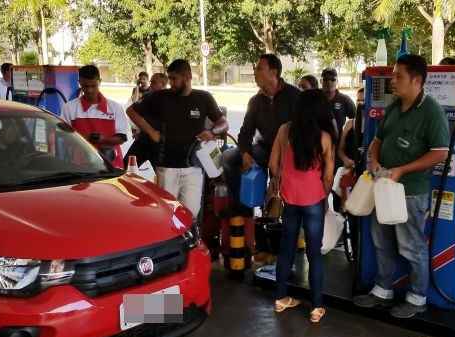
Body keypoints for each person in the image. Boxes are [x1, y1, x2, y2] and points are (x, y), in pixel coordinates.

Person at [352, 54, 449, 319]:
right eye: (393, 75)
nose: (392, 81)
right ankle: (382, 291)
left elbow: (440, 152)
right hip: (383, 186)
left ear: (416, 80)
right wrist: (373, 160)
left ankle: (417, 298)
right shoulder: (395, 106)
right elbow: (377, 139)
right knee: (381, 240)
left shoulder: (431, 112)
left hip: (410, 191)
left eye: (398, 77)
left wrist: (402, 170)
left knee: (411, 246)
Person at [127, 59, 228, 218]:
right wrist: (151, 132)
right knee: (167, 215)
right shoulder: (160, 97)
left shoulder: (203, 98)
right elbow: (131, 111)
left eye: (174, 79)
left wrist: (213, 132)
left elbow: (223, 123)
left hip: (194, 168)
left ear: (187, 76)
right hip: (166, 168)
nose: (171, 83)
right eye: (170, 78)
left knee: (191, 214)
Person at [270, 89, 336, 323]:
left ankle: (280, 298)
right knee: (314, 253)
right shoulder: (325, 137)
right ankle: (316, 307)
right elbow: (328, 176)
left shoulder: (285, 130)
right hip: (314, 201)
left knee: (286, 249)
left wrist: (284, 183)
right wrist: (323, 196)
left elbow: (273, 164)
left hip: (290, 199)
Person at [222, 54, 301, 215]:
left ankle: (279, 212)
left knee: (283, 192)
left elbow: (305, 129)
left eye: (259, 68)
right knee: (228, 158)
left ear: (273, 72)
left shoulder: (295, 96)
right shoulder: (255, 101)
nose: (254, 72)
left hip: (290, 151)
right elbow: (245, 133)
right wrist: (244, 153)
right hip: (263, 149)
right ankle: (243, 209)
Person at [61, 65, 129, 168]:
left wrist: (103, 140)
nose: (89, 90)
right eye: (85, 86)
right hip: (80, 167)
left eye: (93, 86)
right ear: (79, 83)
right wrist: (86, 139)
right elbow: (64, 136)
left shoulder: (115, 108)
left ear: (99, 81)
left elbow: (122, 137)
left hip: (112, 166)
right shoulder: (69, 108)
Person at [321, 68, 356, 138]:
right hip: (317, 142)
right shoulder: (315, 99)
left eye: (332, 80)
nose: (329, 82)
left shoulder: (345, 100)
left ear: (337, 81)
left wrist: (345, 137)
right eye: (325, 79)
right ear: (321, 81)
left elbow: (355, 119)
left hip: (338, 142)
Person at [337, 88, 365, 170]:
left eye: (363, 100)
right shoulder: (349, 124)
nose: (360, 103)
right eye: (358, 100)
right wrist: (345, 159)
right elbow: (340, 150)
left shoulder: (375, 126)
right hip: (350, 169)